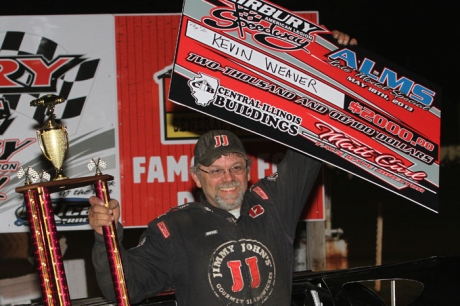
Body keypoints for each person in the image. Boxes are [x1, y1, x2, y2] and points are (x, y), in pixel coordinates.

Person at [89, 33, 357, 305]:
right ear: (196, 176)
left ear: (249, 169)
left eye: (236, 167)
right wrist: (106, 237)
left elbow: (313, 139)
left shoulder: (275, 204)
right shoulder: (175, 229)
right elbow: (121, 288)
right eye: (215, 170)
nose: (228, 178)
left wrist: (332, 65)